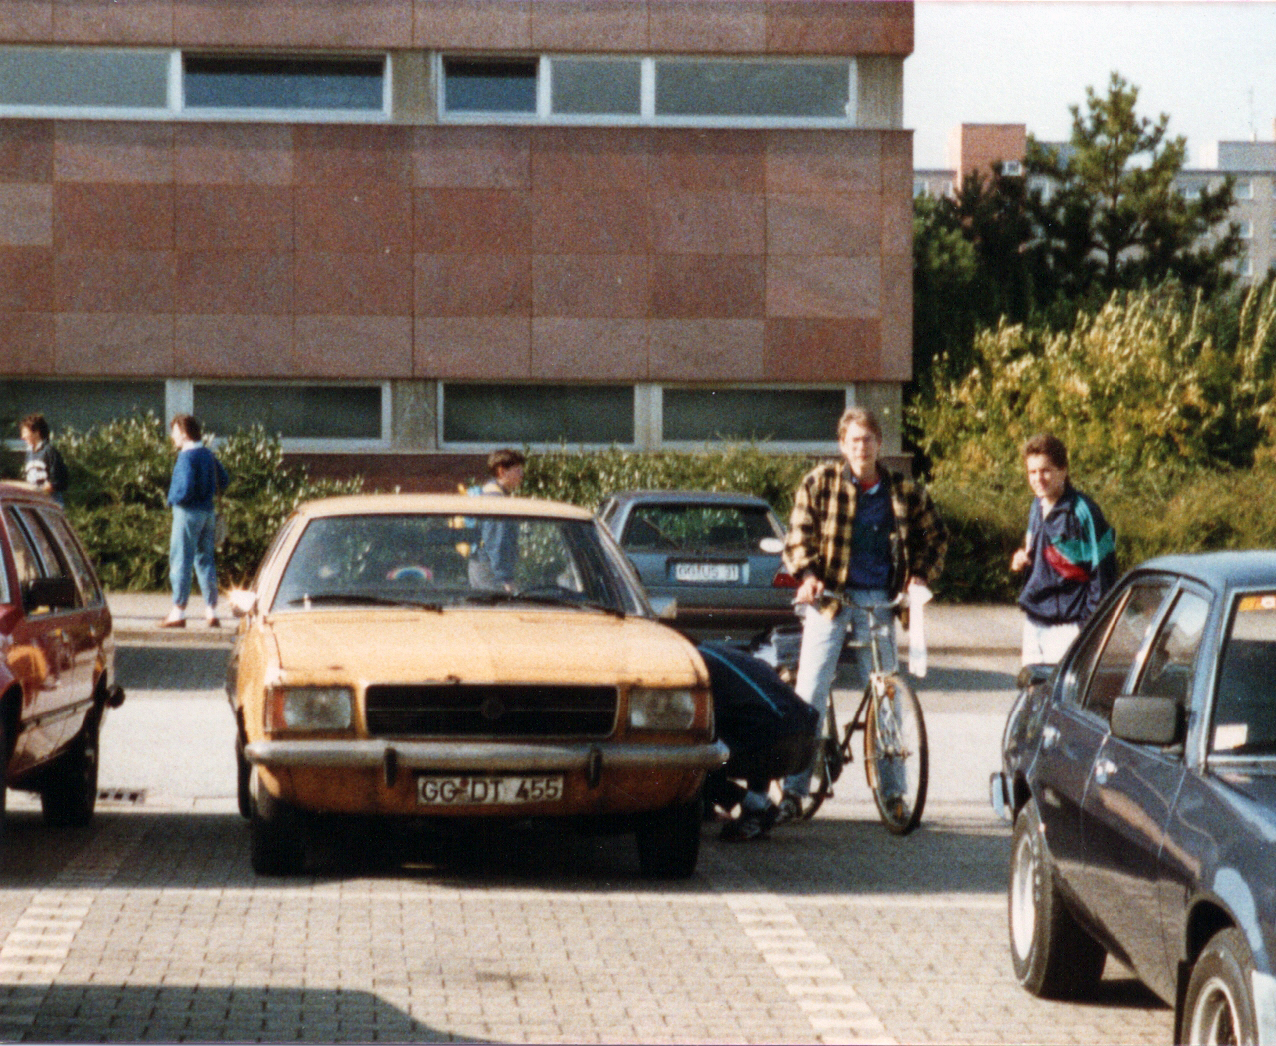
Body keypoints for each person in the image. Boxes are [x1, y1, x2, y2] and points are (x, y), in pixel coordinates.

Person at [775, 407, 948, 824]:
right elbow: (797, 536)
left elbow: (936, 536)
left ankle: (894, 796)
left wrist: (919, 576)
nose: (862, 448)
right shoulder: (820, 483)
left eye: (868, 440)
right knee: (811, 691)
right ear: (842, 445)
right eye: (854, 441)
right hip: (831, 596)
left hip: (879, 599)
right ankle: (794, 793)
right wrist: (810, 575)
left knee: (887, 698)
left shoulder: (903, 491)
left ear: (879, 444)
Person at [1011, 433, 1116, 666]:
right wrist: (1021, 559)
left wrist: (1087, 629)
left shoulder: (1084, 511)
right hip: (1033, 622)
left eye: (1046, 470)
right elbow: (1039, 554)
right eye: (1032, 472)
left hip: (1067, 629)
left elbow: (1104, 573)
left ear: (1064, 470)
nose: (1039, 478)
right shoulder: (1036, 506)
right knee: (1032, 697)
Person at [161, 414, 229, 629]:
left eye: (174, 433)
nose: (172, 438)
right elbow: (224, 479)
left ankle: (178, 611)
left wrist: (172, 499)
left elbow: (185, 487)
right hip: (208, 512)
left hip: (187, 513)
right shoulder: (208, 454)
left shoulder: (186, 457)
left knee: (181, 559)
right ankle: (211, 610)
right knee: (205, 560)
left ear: (183, 432)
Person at [468, 448, 525, 591]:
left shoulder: (487, 493)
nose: (522, 475)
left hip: (480, 565)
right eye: (517, 470)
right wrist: (505, 579)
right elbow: (497, 542)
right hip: (490, 570)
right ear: (502, 472)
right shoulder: (497, 502)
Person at [19, 414, 69, 505]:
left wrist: (38, 491)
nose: (22, 437)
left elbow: (57, 482)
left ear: (36, 432)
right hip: (35, 503)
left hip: (51, 504)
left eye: (25, 432)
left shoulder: (49, 451)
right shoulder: (29, 453)